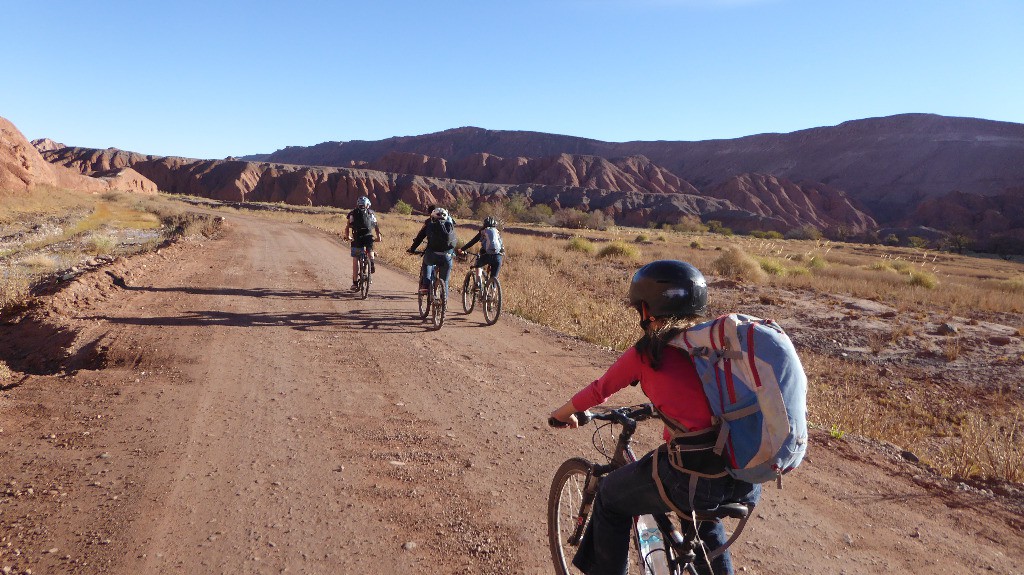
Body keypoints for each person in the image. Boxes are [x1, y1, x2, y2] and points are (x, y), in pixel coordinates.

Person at [549, 260, 761, 575]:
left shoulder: (648, 353)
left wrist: (561, 414)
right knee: (704, 516)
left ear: (648, 310)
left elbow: (599, 390)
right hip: (742, 473)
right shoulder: (716, 346)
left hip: (693, 475)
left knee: (609, 497)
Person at [407, 207, 459, 294]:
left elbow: (419, 238)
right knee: (445, 281)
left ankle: (426, 285)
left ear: (432, 216)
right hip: (447, 257)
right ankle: (444, 303)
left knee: (426, 263)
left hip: (432, 256)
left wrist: (412, 249)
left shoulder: (429, 225)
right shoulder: (450, 226)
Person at [344, 196, 383, 291]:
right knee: (370, 249)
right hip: (368, 236)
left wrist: (348, 237)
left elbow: (348, 227)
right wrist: (378, 237)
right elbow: (376, 226)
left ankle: (354, 283)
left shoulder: (352, 213)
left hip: (357, 238)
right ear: (368, 205)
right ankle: (372, 263)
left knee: (356, 259)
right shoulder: (371, 213)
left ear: (358, 204)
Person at [456, 216, 504, 283]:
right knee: (494, 277)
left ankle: (478, 283)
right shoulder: (497, 232)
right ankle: (494, 289)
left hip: (487, 256)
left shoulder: (483, 232)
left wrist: (462, 249)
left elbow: (472, 242)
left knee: (478, 265)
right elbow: (502, 247)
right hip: (498, 257)